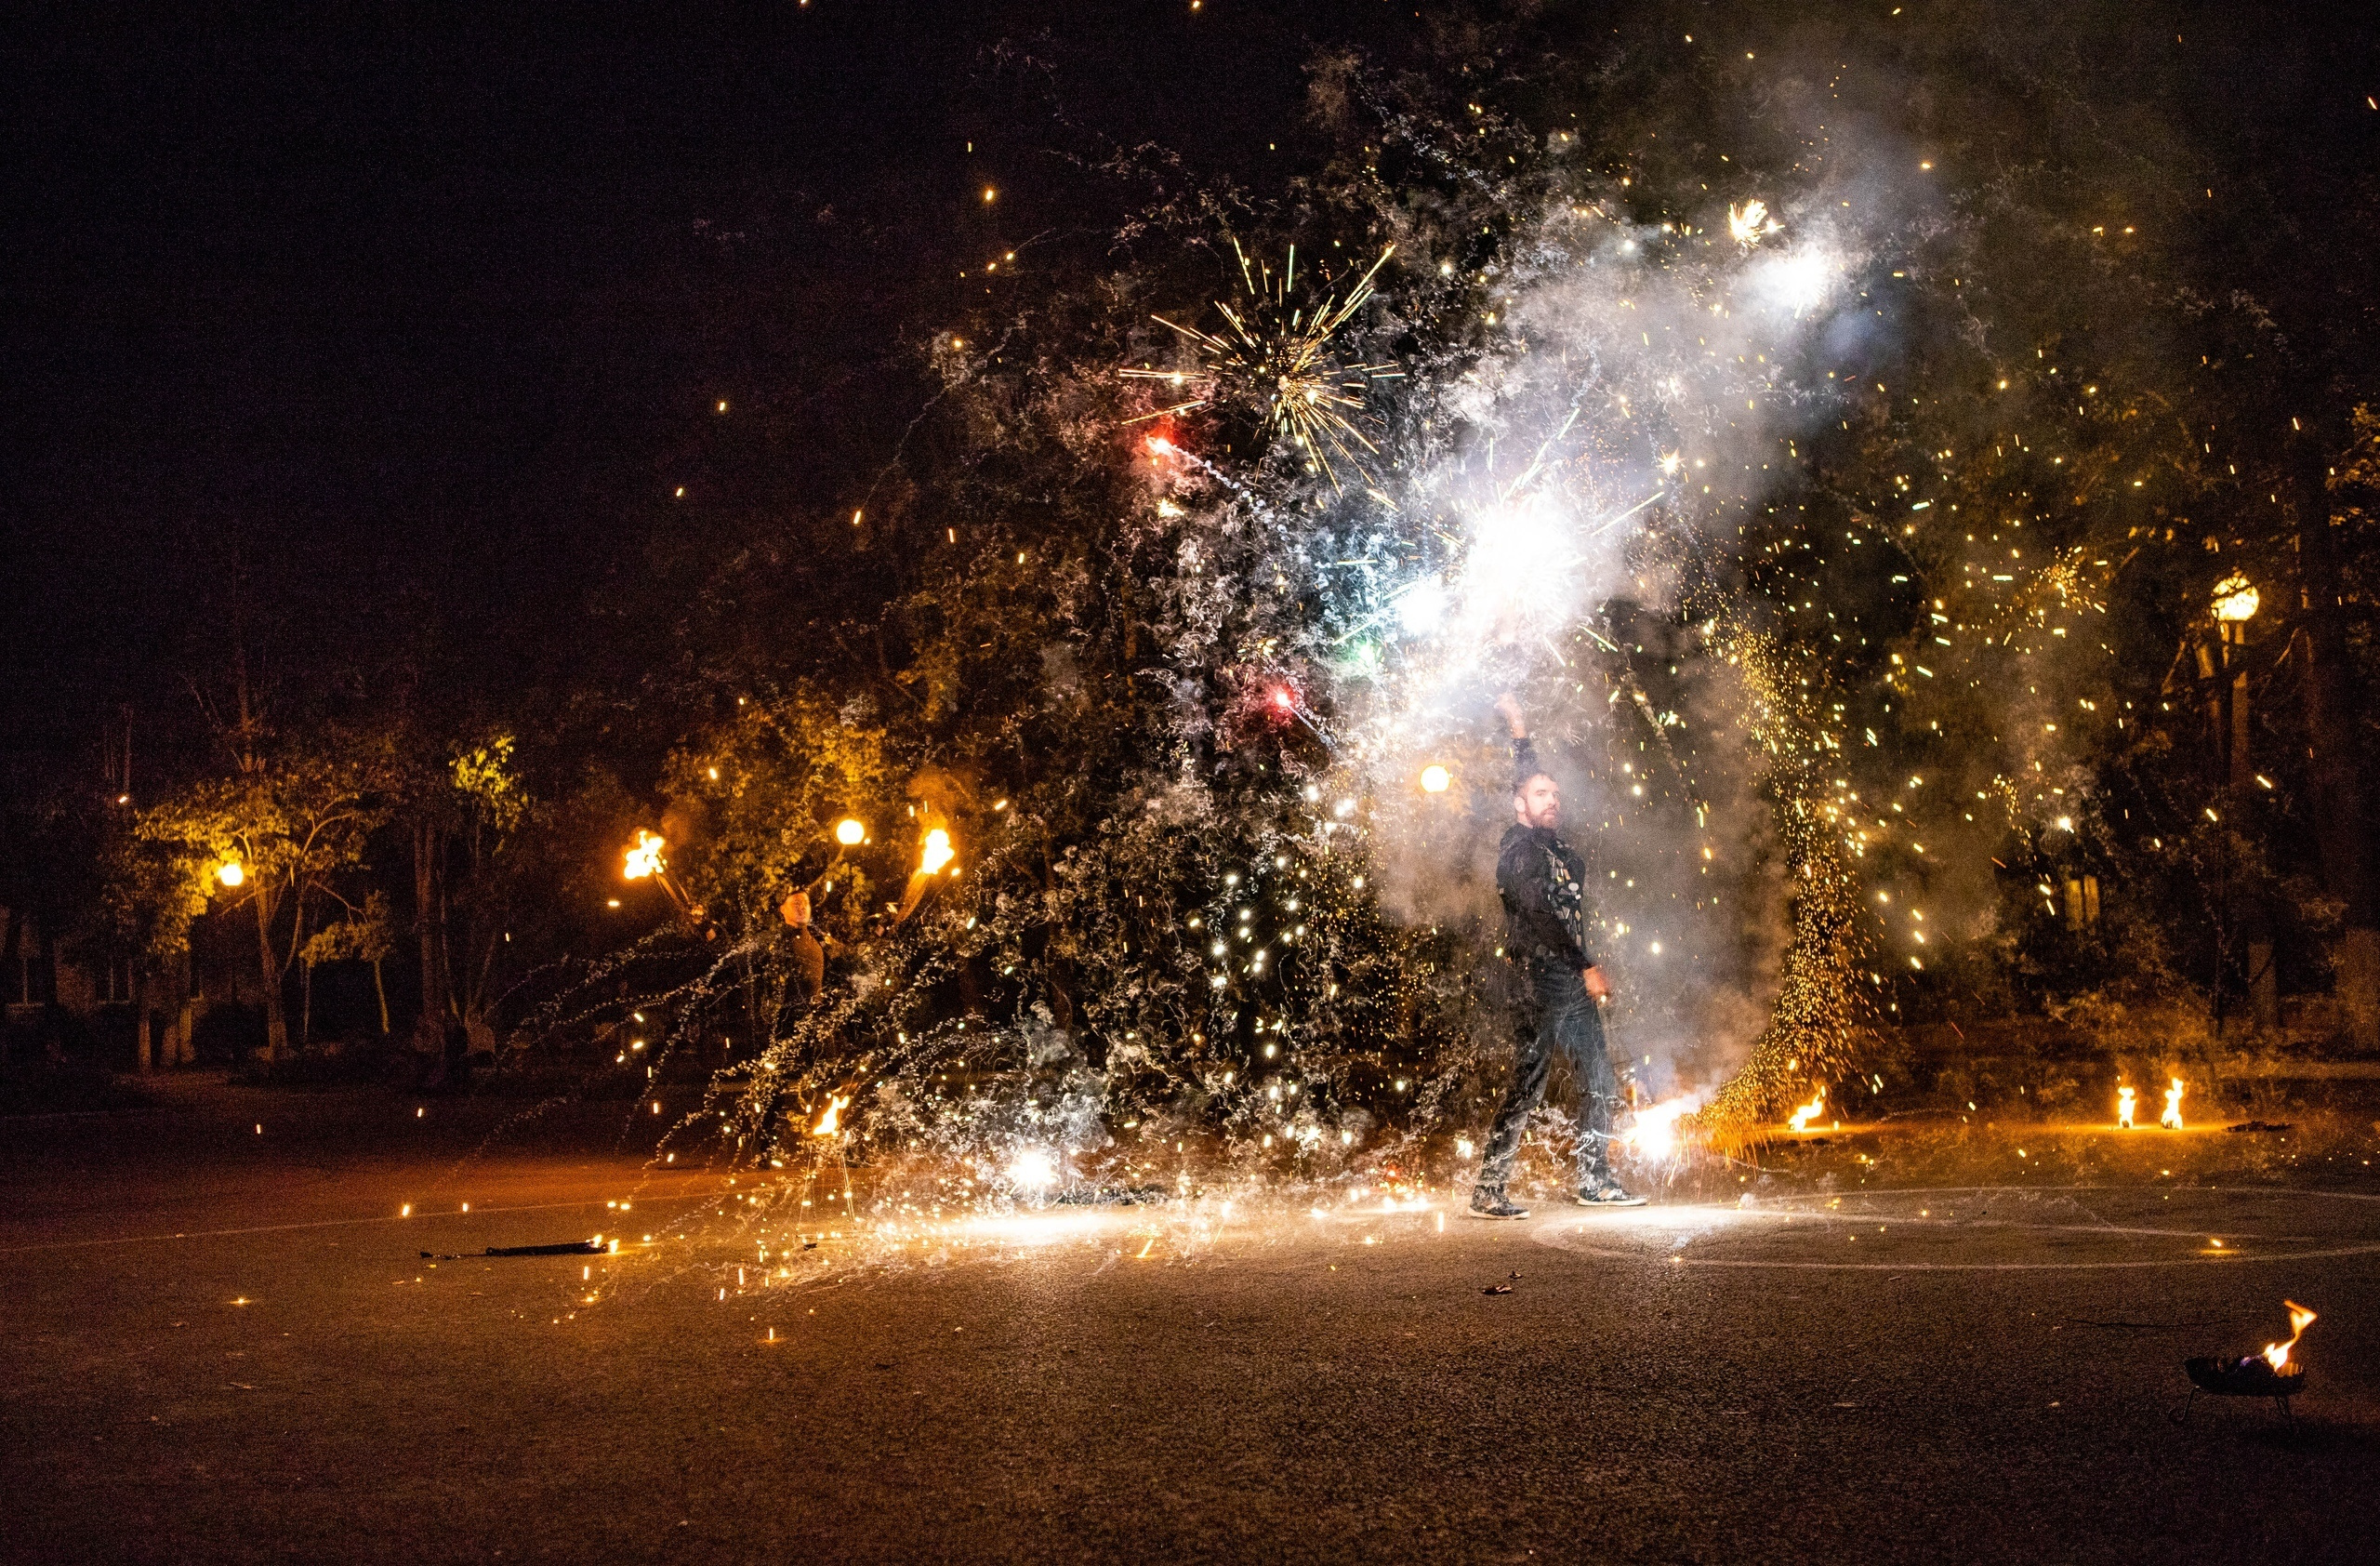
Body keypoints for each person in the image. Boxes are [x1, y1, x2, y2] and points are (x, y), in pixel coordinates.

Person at [1470, 693, 1644, 1217]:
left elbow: (1526, 772)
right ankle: (1488, 1189)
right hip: (1539, 981)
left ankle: (1594, 1179)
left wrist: (1521, 727)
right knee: (1530, 1082)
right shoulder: (1518, 849)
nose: (1552, 800)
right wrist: (1584, 962)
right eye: (1541, 794)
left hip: (1568, 979)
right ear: (1520, 805)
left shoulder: (1553, 846)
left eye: (1556, 794)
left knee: (1599, 1078)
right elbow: (1541, 915)